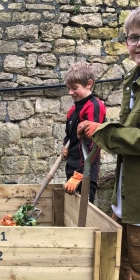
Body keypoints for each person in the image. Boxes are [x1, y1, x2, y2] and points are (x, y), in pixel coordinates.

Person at [77, 7, 140, 280]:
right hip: (124, 204)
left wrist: (101, 132)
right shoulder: (132, 81)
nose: (138, 44)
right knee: (121, 271)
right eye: (133, 37)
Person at [62, 62, 106, 203]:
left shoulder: (94, 106)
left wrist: (80, 175)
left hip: (85, 173)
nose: (70, 92)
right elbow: (69, 137)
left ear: (89, 84)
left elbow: (93, 142)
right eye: (69, 88)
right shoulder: (72, 111)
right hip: (71, 168)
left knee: (84, 215)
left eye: (75, 88)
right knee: (72, 213)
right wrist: (65, 149)